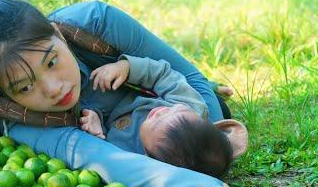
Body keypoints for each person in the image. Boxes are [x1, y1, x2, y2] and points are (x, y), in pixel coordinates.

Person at [0, 0, 253, 187]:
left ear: (57, 31)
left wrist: (203, 146)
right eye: (25, 87)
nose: (54, 89)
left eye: (52, 62)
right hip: (133, 121)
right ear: (5, 94)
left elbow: (185, 76)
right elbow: (103, 158)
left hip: (149, 97)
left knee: (213, 101)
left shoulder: (95, 21)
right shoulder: (24, 124)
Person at [80, 54, 248, 179]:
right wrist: (127, 67)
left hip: (101, 107)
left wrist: (96, 125)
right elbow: (163, 76)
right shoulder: (191, 106)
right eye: (171, 110)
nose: (160, 111)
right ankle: (212, 89)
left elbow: (103, 153)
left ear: (149, 156)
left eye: (156, 122)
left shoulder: (131, 154)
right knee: (212, 102)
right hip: (133, 87)